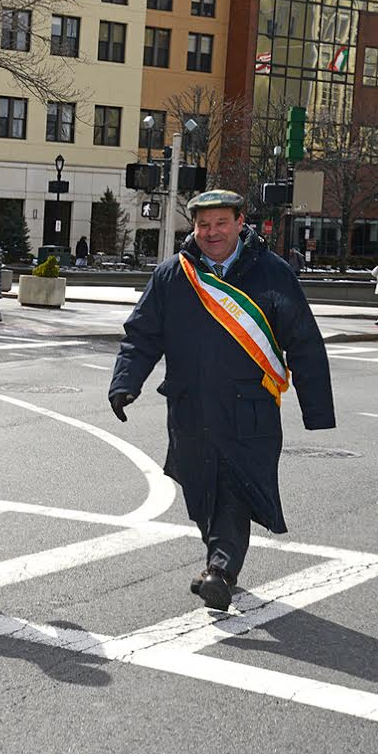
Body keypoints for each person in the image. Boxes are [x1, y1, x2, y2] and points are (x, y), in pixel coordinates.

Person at [108, 189, 335, 611]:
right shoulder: (173, 276)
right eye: (203, 225)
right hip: (189, 409)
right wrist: (125, 382)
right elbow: (142, 335)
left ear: (239, 221)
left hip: (249, 410)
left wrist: (317, 409)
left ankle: (221, 570)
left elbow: (303, 341)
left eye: (221, 223)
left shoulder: (271, 273)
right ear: (194, 227)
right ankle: (219, 557)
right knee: (200, 491)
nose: (212, 233)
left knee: (233, 491)